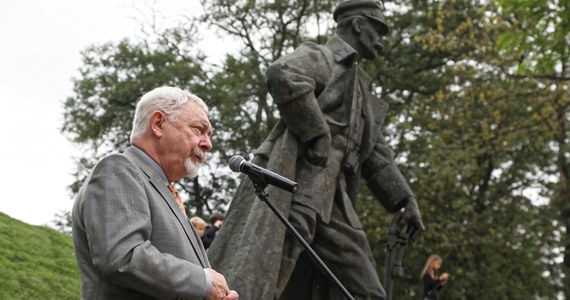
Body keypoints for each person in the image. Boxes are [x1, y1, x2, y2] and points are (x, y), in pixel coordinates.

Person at [208, 0, 424, 299]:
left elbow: (375, 152)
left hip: (335, 196)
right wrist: (318, 135)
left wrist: (404, 199)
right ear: (358, 25)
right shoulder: (324, 57)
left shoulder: (360, 85)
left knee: (365, 286)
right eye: (378, 30)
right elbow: (282, 73)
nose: (382, 40)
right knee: (270, 267)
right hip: (300, 181)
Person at [71, 86, 238, 300]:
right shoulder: (118, 169)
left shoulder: (166, 192)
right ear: (158, 124)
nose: (208, 144)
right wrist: (204, 282)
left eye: (209, 134)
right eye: (199, 130)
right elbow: (123, 256)